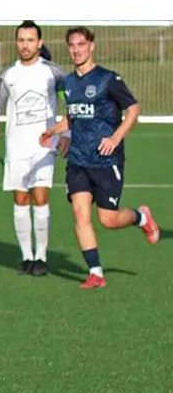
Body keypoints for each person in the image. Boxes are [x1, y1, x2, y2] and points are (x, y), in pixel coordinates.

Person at [40, 26, 160, 289]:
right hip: (79, 160)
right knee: (80, 214)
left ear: (91, 46)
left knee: (108, 219)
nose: (76, 50)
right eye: (71, 45)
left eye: (81, 44)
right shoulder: (68, 83)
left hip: (107, 161)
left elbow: (133, 108)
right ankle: (96, 273)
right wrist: (55, 131)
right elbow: (73, 116)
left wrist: (116, 138)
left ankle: (140, 217)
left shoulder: (108, 79)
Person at [0, 21, 67, 276]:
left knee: (41, 198)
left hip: (44, 146)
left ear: (39, 43)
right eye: (21, 40)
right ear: (16, 42)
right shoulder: (9, 75)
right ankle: (26, 257)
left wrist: (66, 133)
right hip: (16, 147)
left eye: (31, 40)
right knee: (21, 199)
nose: (26, 45)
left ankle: (41, 258)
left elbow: (70, 102)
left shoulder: (54, 73)